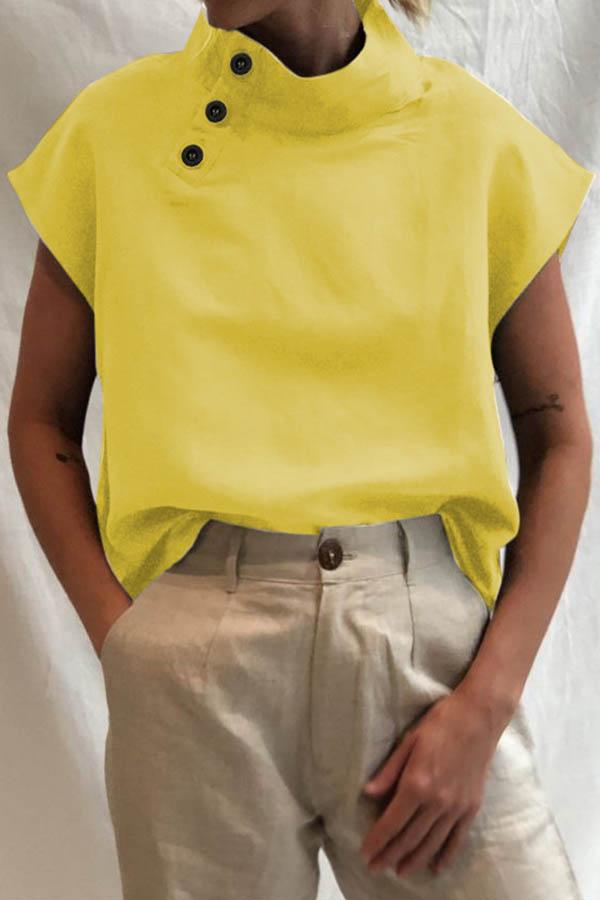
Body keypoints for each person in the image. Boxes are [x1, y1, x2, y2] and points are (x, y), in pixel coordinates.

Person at [5, 0, 596, 897]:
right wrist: (125, 644)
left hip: (426, 661)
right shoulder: (113, 132)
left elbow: (559, 436)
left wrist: (487, 700)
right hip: (194, 662)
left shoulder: (471, 137)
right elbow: (41, 419)